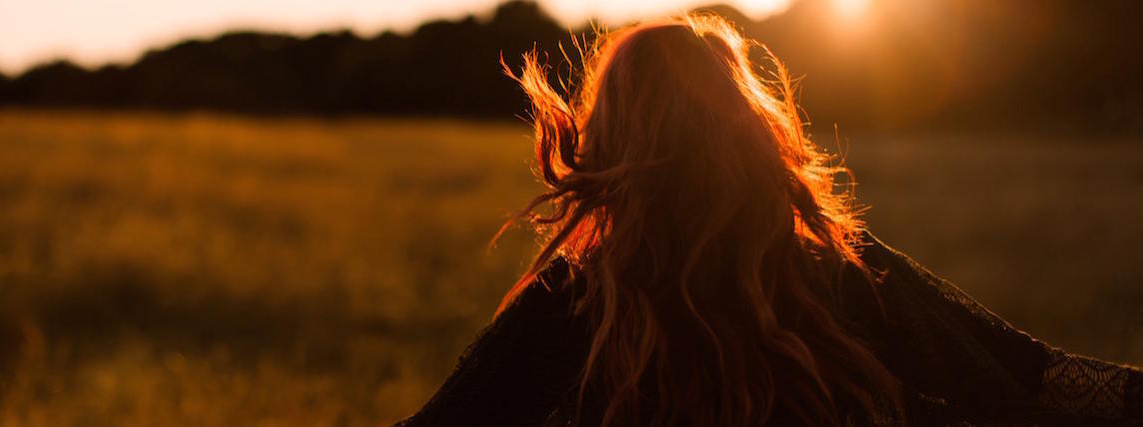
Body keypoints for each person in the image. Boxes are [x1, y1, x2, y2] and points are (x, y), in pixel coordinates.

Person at [394, 15, 1141, 427]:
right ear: (750, 134)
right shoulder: (841, 273)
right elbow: (1039, 380)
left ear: (610, 142)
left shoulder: (569, 305)